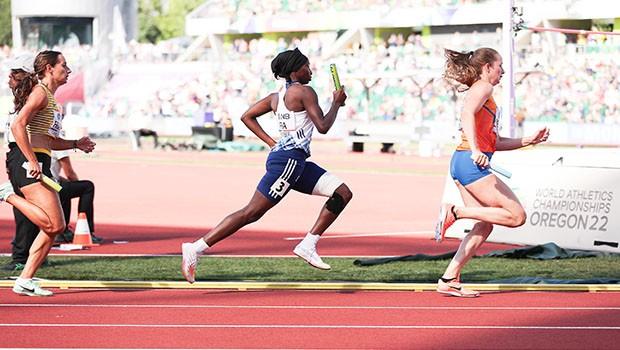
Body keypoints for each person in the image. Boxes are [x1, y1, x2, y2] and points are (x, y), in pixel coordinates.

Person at [181, 48, 351, 283]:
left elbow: (247, 116)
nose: (310, 71)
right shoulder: (305, 92)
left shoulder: (276, 97)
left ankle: (308, 244)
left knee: (342, 192)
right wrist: (336, 104)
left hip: (291, 160)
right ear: (294, 71)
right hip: (289, 161)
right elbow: (322, 126)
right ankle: (196, 248)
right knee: (251, 212)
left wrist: (272, 143)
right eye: (306, 67)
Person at [435, 48, 549, 297]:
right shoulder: (483, 87)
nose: (503, 72)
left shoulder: (485, 94)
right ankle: (455, 211)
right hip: (470, 161)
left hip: (464, 161)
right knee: (517, 216)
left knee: (484, 225)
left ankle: (449, 278)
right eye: (500, 67)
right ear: (487, 67)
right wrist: (475, 149)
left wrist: (528, 140)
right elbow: (466, 114)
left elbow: (494, 143)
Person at [1, 50, 96, 296]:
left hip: (40, 157)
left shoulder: (53, 101)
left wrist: (76, 143)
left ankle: (25, 279)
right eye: (63, 65)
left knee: (56, 226)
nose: (69, 69)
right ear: (48, 69)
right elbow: (17, 125)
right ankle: (9, 194)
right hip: (25, 159)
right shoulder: (40, 92)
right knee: (53, 223)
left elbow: (49, 141)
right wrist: (31, 160)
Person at [51, 146, 102, 244]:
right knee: (87, 187)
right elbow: (70, 174)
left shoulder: (37, 142)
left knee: (65, 188)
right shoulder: (58, 147)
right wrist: (76, 184)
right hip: (52, 188)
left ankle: (62, 231)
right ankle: (87, 230)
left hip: (38, 185)